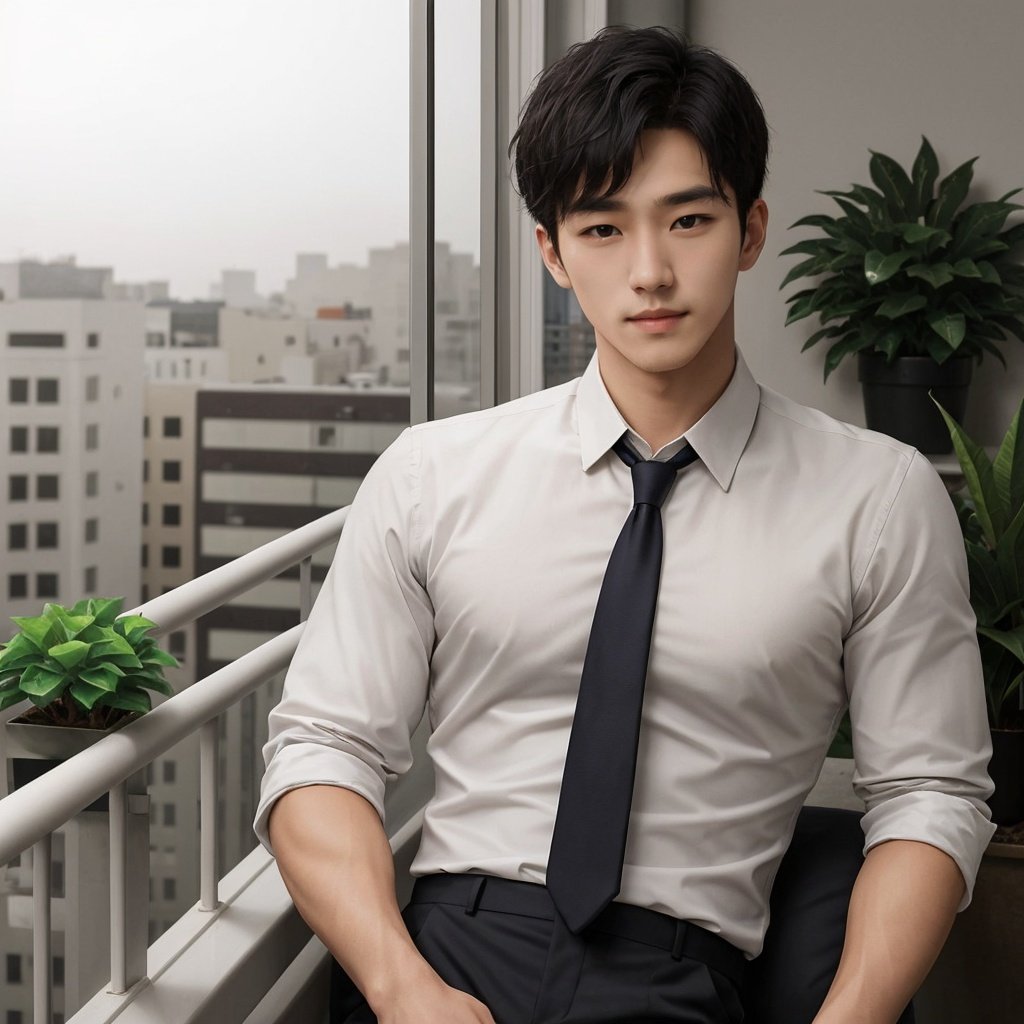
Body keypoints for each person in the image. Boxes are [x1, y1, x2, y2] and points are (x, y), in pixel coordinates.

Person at [255, 26, 996, 1024]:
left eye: (686, 220)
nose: (648, 271)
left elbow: (929, 793)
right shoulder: (433, 474)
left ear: (750, 229)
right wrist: (402, 986)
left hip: (678, 970)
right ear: (553, 254)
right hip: (447, 953)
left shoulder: (875, 496)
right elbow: (323, 749)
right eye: (602, 229)